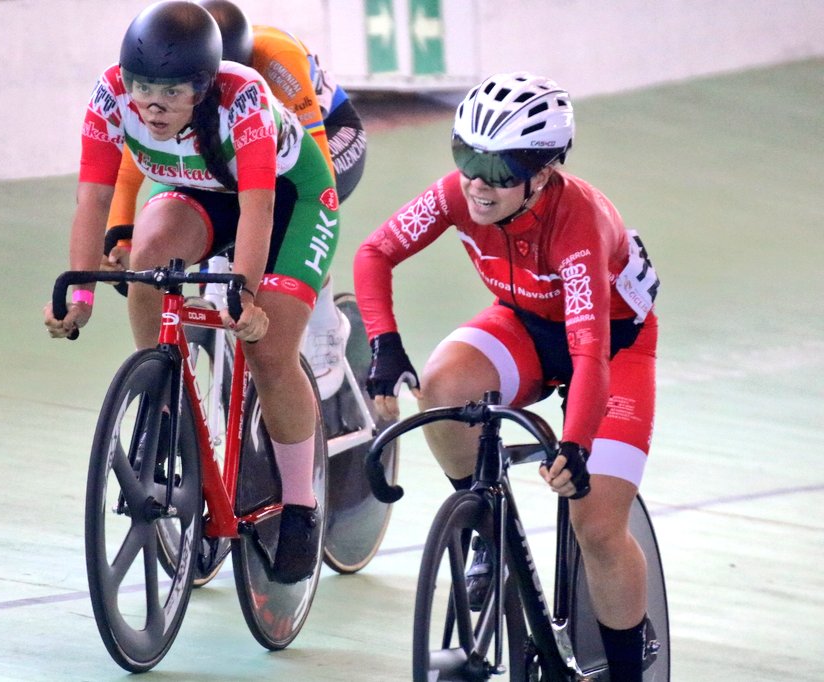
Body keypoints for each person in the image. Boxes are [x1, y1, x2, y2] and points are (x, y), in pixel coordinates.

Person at [353, 72, 660, 681]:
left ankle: (628, 663)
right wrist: (385, 345)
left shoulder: (579, 226)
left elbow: (590, 354)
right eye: (467, 157)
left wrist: (574, 443)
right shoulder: (456, 194)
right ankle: (484, 522)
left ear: (541, 174)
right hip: (524, 324)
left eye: (498, 170)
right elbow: (374, 254)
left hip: (614, 349)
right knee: (440, 389)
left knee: (596, 523)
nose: (477, 182)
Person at [44, 0, 342, 584]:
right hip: (200, 191)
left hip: (290, 200)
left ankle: (303, 506)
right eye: (142, 87)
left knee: (268, 351)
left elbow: (259, 207)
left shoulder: (245, 97)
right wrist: (80, 297)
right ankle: (163, 396)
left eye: (173, 92)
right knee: (147, 261)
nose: (153, 105)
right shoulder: (109, 96)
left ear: (204, 87)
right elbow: (94, 199)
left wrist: (246, 296)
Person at [102, 0, 367, 400]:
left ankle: (325, 312)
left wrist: (305, 250)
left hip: (324, 135)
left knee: (278, 208)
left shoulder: (277, 60)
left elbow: (314, 171)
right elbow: (133, 163)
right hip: (237, 148)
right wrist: (122, 237)